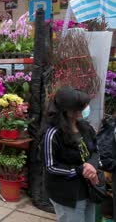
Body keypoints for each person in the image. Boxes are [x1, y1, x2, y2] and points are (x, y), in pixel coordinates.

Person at [43, 87, 100, 222]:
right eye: (81, 106)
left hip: (89, 188)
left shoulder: (86, 127)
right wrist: (80, 170)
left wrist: (92, 165)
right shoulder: (53, 134)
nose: (85, 108)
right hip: (67, 193)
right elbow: (51, 166)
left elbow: (96, 151)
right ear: (66, 110)